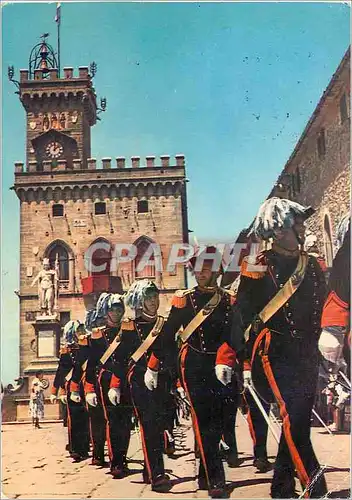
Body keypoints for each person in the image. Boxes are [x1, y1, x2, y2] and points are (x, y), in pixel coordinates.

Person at [230, 197, 328, 498]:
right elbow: (239, 319)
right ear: (281, 229)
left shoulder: (311, 265)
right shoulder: (256, 268)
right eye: (297, 222)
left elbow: (320, 308)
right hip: (274, 353)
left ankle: (281, 487)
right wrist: (241, 363)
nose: (303, 227)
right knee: (295, 417)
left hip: (308, 352)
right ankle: (316, 488)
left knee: (296, 419)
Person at [145, 247, 237, 498]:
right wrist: (154, 366)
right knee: (204, 420)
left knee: (218, 421)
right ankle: (217, 479)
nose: (199, 273)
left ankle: (205, 474)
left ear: (217, 270)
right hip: (194, 364)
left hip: (222, 366)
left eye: (205, 268)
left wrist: (227, 359)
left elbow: (235, 335)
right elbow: (165, 337)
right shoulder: (184, 300)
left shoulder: (229, 300)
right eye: (196, 268)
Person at [111, 280, 172, 492]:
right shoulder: (129, 326)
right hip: (138, 380)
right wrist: (115, 385)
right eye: (148, 297)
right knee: (149, 424)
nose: (153, 301)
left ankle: (149, 468)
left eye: (155, 296)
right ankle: (157, 475)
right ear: (139, 299)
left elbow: (170, 352)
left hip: (161, 380)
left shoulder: (164, 324)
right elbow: (119, 359)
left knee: (159, 424)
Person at [85, 292, 129, 478]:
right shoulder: (97, 336)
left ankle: (122, 457)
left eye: (120, 308)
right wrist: (89, 389)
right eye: (113, 309)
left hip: (127, 379)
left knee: (126, 422)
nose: (117, 312)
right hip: (106, 381)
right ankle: (116, 462)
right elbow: (92, 364)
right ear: (106, 311)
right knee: (113, 421)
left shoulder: (129, 331)